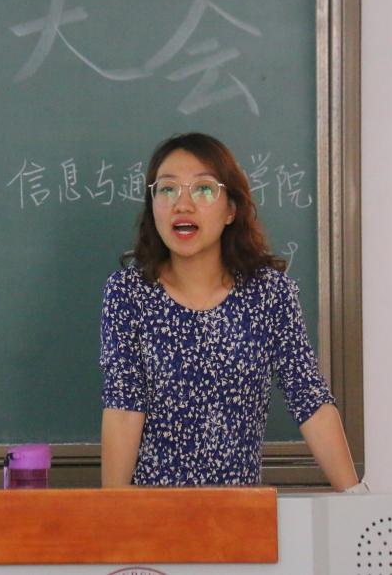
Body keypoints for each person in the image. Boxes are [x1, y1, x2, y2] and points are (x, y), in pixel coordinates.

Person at [100, 132, 362, 491]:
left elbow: (309, 398)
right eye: (167, 189)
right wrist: (111, 514)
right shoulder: (129, 292)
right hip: (153, 514)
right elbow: (124, 407)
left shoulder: (269, 293)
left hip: (240, 514)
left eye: (204, 189)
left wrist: (356, 500)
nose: (182, 204)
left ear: (230, 210)